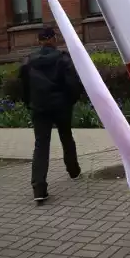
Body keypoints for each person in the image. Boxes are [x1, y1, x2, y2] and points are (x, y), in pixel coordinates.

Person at [19, 27, 82, 202]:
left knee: (41, 144)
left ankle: (39, 188)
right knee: (66, 136)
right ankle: (73, 171)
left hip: (39, 108)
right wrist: (71, 100)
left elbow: (24, 87)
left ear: (39, 41)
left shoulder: (28, 61)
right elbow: (73, 84)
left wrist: (29, 103)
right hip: (61, 106)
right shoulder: (63, 59)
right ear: (54, 39)